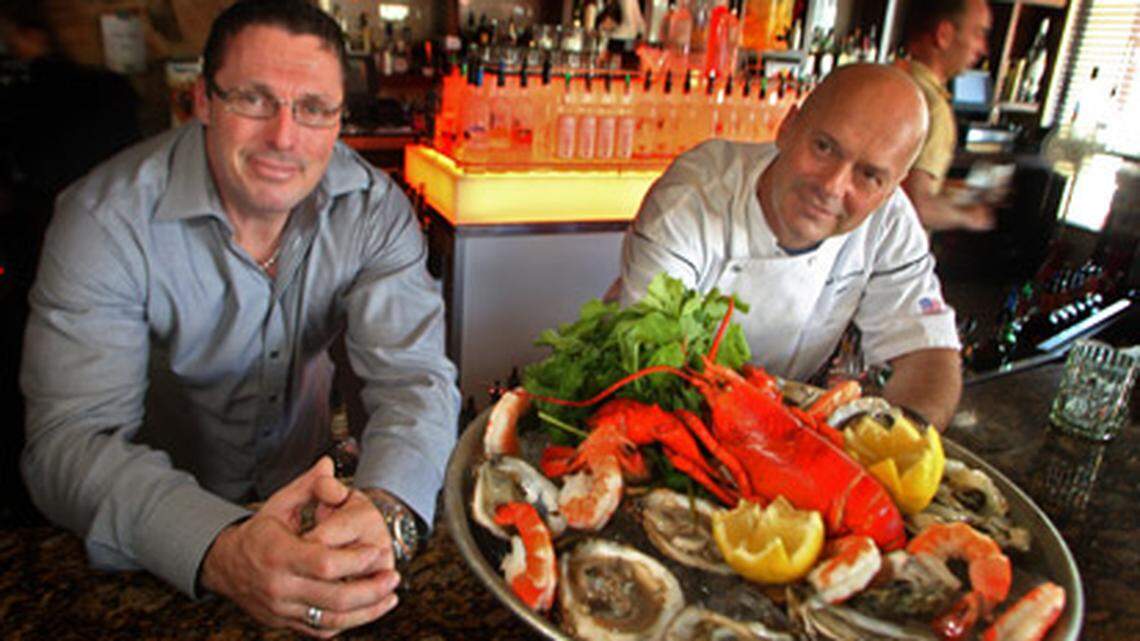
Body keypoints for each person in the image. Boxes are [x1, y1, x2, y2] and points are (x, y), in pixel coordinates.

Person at [19, 0, 460, 637]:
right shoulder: (103, 219)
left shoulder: (373, 211)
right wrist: (221, 546)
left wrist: (386, 507)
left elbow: (414, 380)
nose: (285, 137)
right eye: (254, 99)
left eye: (313, 108)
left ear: (339, 119)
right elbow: (69, 441)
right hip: (147, 535)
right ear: (202, 101)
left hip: (310, 508)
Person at [617, 63, 963, 430]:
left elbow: (928, 355)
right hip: (670, 412)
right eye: (824, 147)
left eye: (869, 175)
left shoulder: (889, 220)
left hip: (791, 421)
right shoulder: (693, 199)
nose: (832, 186)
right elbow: (654, 368)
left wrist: (899, 445)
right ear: (788, 127)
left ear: (892, 186)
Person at [897, 0, 996, 232]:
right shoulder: (933, 108)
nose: (983, 48)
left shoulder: (890, 77)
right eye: (978, 33)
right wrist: (971, 218)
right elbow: (916, 206)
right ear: (944, 35)